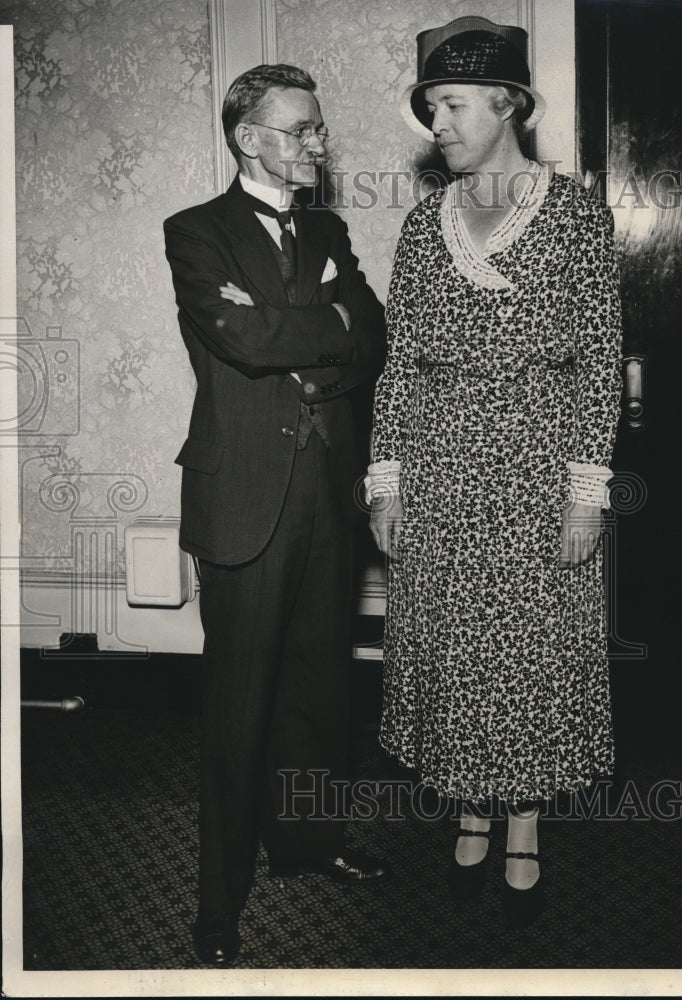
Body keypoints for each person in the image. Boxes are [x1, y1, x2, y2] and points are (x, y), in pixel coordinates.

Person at [368, 18, 622, 927]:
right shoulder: (422, 222)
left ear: (508, 104)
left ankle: (524, 824)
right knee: (454, 648)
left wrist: (587, 494)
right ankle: (469, 813)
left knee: (530, 653)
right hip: (439, 467)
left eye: (453, 104)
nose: (437, 122)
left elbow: (598, 360)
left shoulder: (575, 214)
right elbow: (399, 363)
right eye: (433, 105)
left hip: (538, 467)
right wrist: (387, 478)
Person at [164, 63, 389, 966]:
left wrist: (310, 331)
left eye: (318, 128)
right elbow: (239, 340)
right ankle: (218, 906)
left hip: (326, 496)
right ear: (249, 137)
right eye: (300, 130)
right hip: (243, 499)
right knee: (238, 708)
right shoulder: (196, 232)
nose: (318, 144)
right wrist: (323, 318)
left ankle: (307, 843)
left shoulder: (330, 226)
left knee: (318, 691)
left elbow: (370, 338)